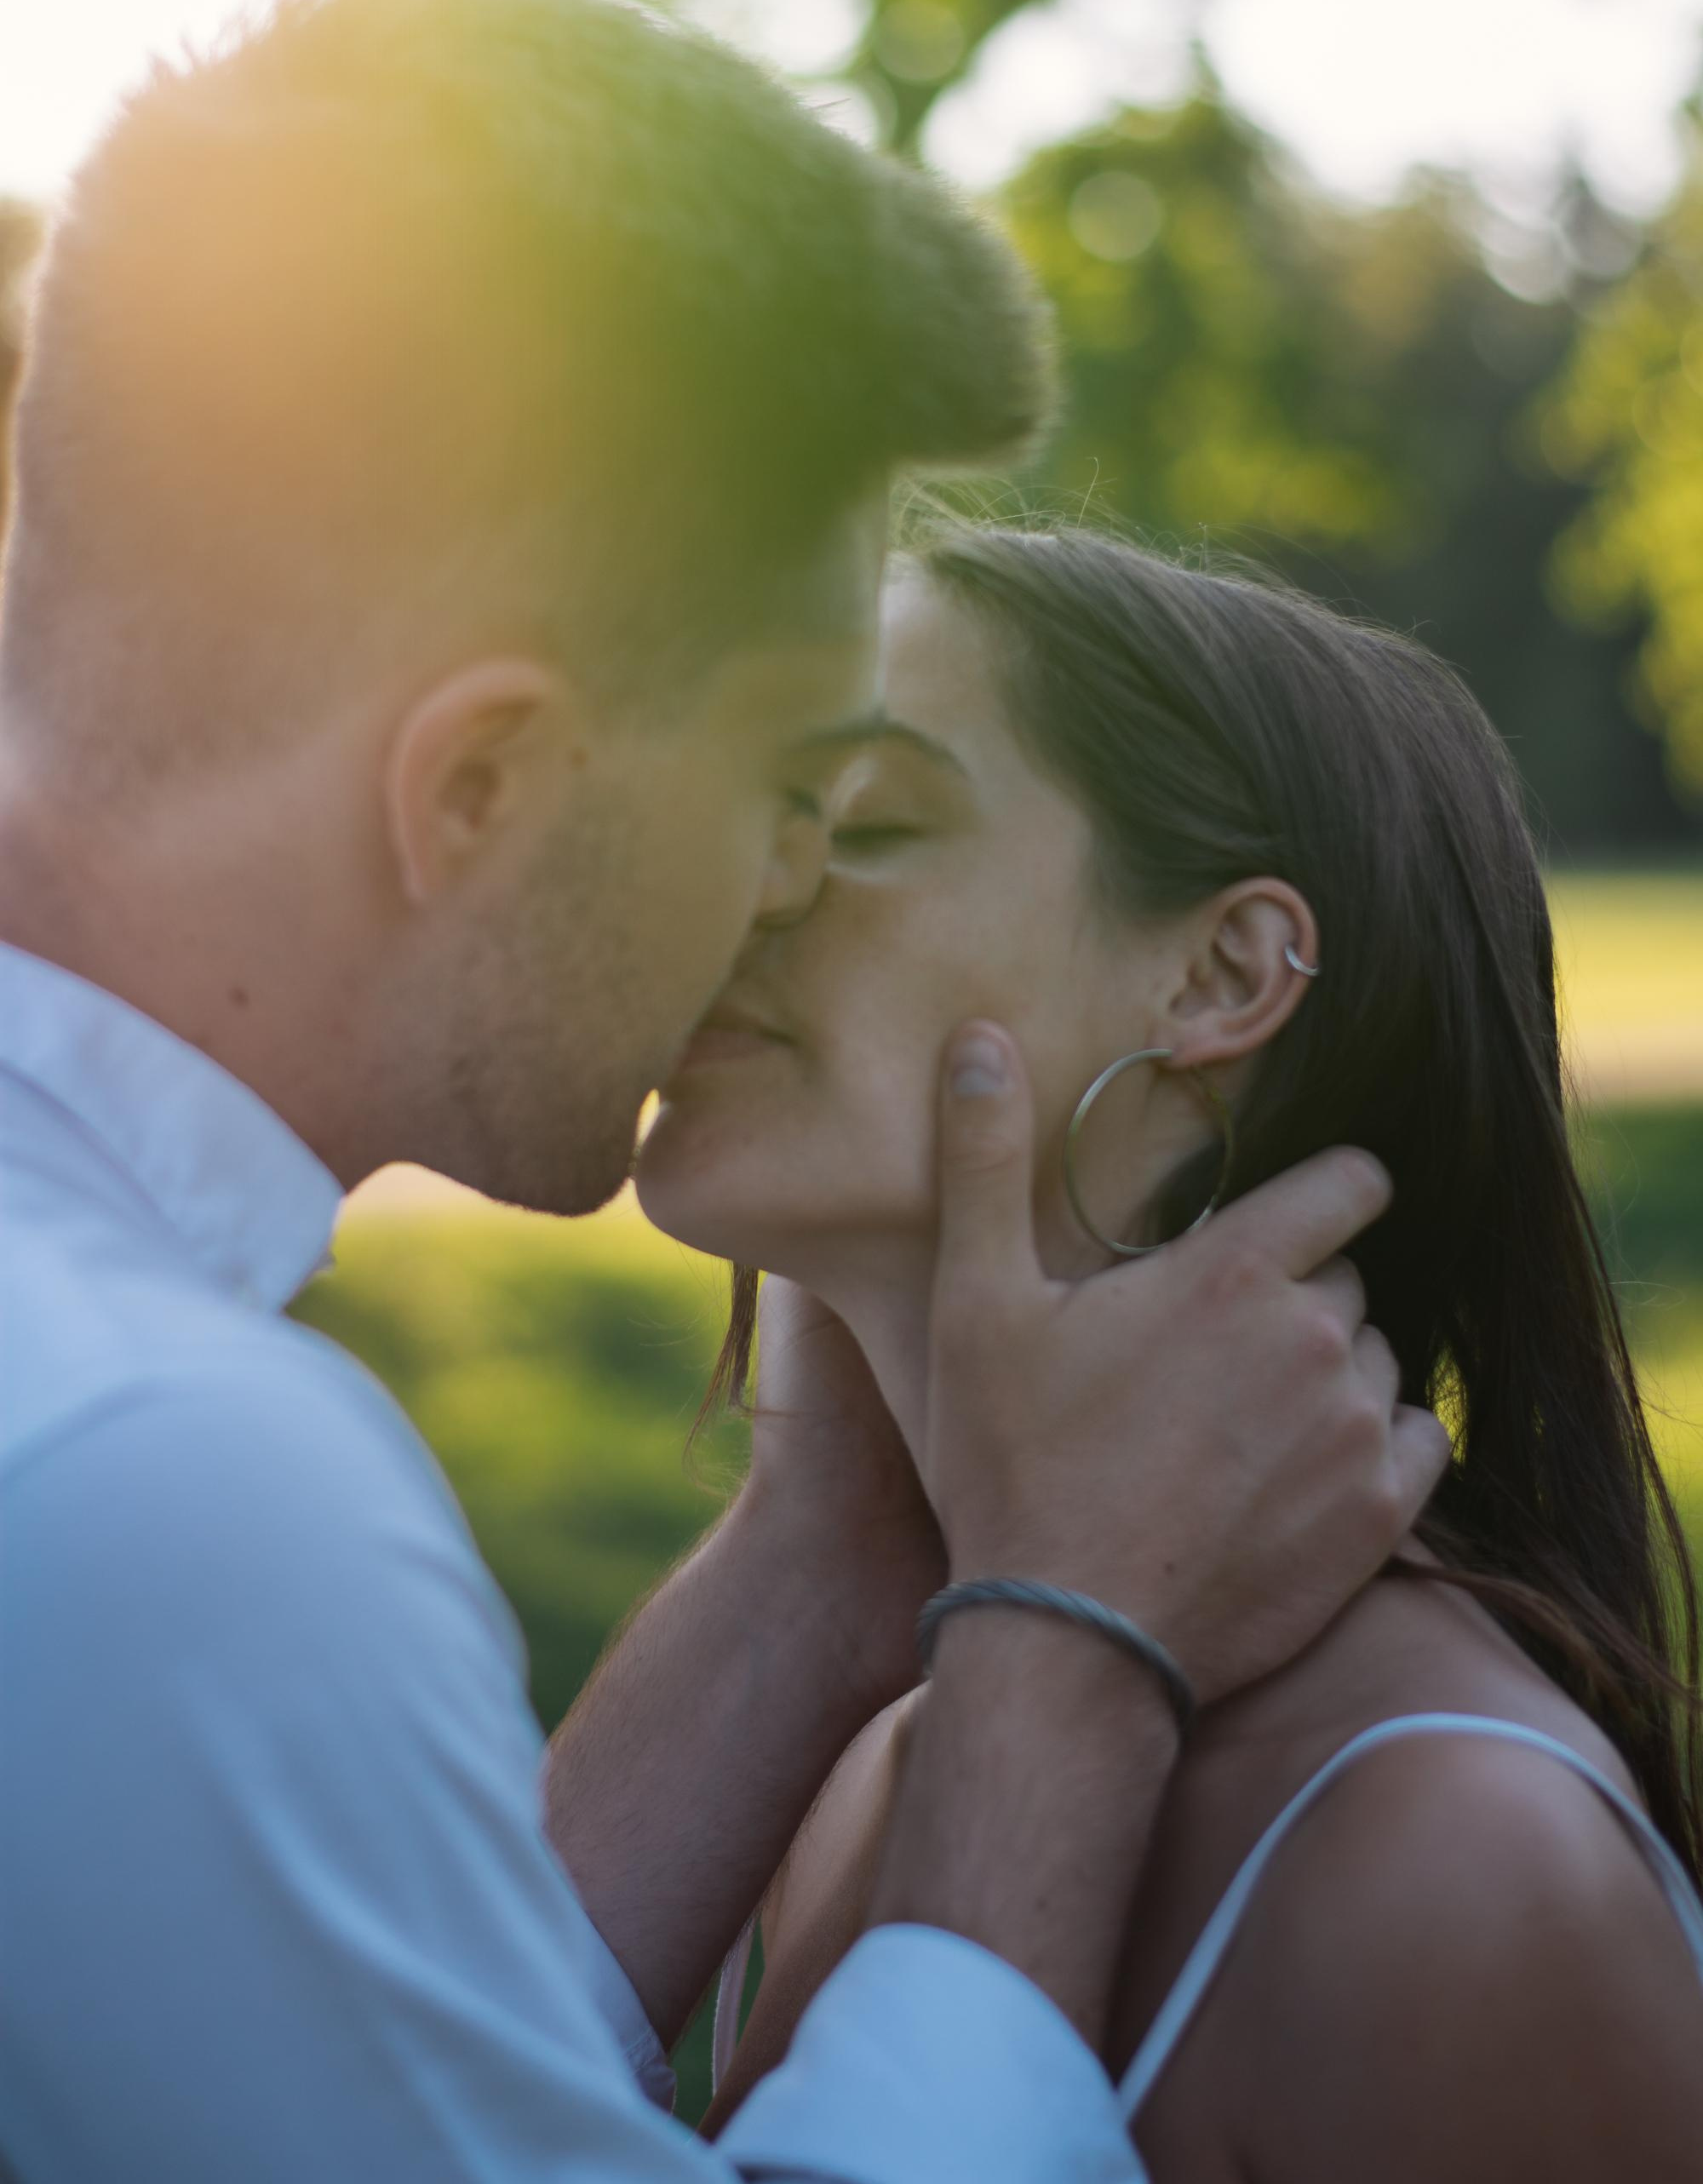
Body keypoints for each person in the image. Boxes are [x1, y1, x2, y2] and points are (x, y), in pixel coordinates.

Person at [0, 0, 1445, 2184]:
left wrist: (814, 1565)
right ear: (480, 784)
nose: (784, 892)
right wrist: (1064, 1659)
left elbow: (337, 2085)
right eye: (797, 785)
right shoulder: (171, 1490)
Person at [633, 518, 1703, 2180]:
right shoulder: (878, 1758)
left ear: (1221, 975)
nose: (737, 883)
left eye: (860, 817)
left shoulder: (1454, 1872)